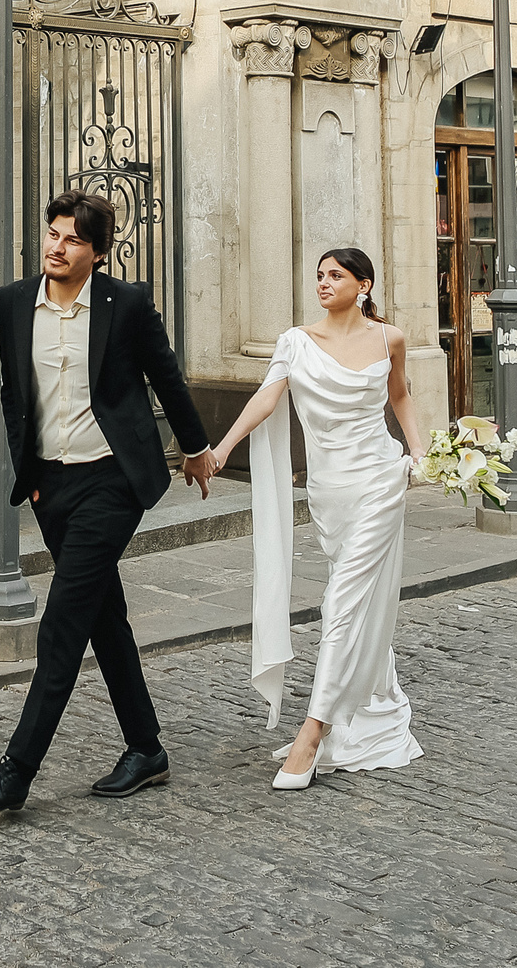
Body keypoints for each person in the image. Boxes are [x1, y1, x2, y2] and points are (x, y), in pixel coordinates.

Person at [0, 190, 218, 814]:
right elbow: (16, 397)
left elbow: (166, 376)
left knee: (64, 621)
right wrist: (31, 474)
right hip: (52, 486)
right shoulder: (14, 302)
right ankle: (146, 748)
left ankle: (16, 772)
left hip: (112, 480)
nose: (57, 247)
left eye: (73, 239)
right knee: (104, 617)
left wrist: (196, 448)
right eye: (53, 234)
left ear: (98, 252)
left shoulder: (125, 304)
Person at [207, 247, 424, 790]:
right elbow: (265, 400)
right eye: (320, 275)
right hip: (330, 493)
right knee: (356, 598)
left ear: (363, 285)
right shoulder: (295, 342)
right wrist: (222, 447)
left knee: (341, 603)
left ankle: (312, 732)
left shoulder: (390, 339)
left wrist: (419, 455)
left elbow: (400, 397)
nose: (323, 283)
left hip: (380, 481)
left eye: (336, 275)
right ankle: (373, 698)